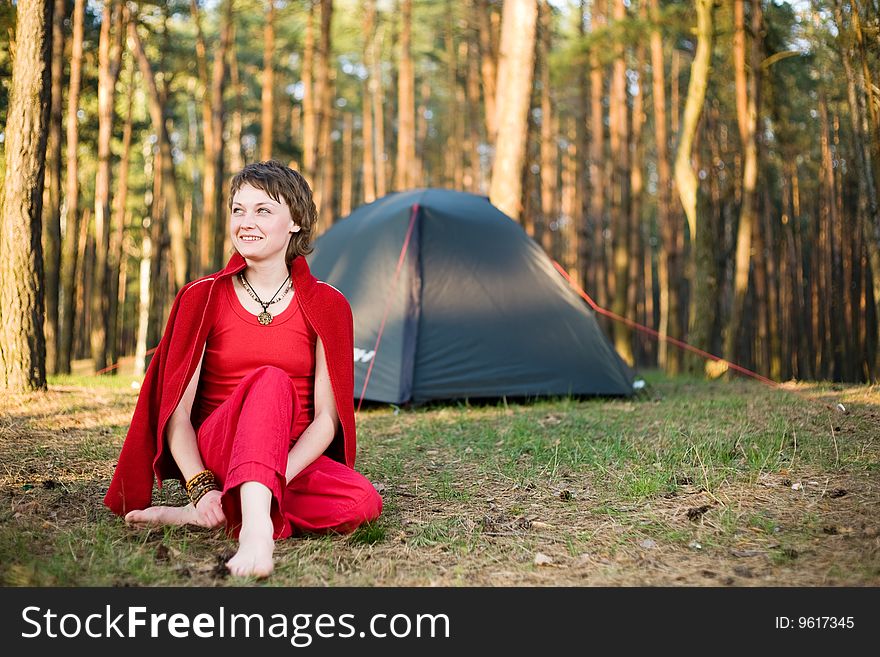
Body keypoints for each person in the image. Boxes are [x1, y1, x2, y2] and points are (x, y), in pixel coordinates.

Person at [104, 160, 382, 578]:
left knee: (361, 502)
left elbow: (326, 418)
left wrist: (273, 479)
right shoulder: (203, 297)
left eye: (263, 210)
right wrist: (200, 487)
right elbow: (177, 415)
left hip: (290, 455)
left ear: (296, 223)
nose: (246, 222)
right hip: (222, 447)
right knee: (270, 379)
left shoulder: (329, 304)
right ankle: (255, 536)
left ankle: (214, 513)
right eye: (239, 210)